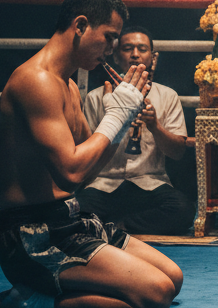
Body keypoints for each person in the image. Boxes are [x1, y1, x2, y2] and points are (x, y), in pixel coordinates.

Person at [0, 0, 182, 308]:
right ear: (79, 26)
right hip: (34, 236)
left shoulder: (70, 85)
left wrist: (123, 121)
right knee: (156, 295)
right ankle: (32, 302)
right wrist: (116, 115)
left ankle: (65, 285)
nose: (110, 50)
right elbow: (71, 173)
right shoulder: (36, 81)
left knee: (173, 278)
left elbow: (91, 167)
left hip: (71, 220)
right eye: (108, 37)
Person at [77, 26, 194, 236]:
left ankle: (119, 226)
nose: (135, 55)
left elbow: (177, 152)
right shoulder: (96, 97)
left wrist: (155, 126)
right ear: (114, 56)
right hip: (105, 184)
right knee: (77, 211)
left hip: (149, 183)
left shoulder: (168, 96)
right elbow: (86, 150)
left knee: (183, 211)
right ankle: (118, 225)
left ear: (153, 57)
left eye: (142, 49)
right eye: (127, 48)